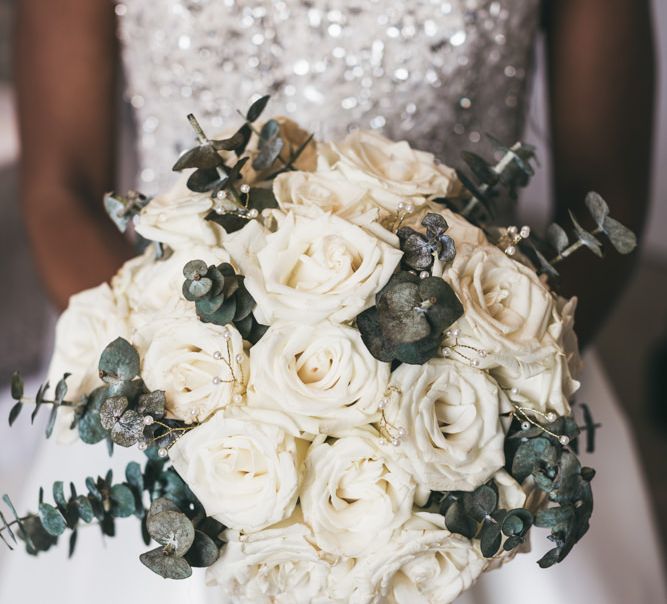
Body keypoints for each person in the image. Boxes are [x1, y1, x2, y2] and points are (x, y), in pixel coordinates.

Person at [1, 0, 665, 602]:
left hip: (477, 412)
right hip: (178, 400)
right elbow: (63, 191)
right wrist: (193, 402)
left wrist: (489, 396)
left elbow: (605, 197)